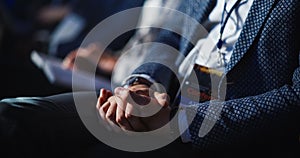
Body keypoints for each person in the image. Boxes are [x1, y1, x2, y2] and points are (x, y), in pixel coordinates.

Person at [0, 0, 299, 157]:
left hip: (222, 128)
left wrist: (178, 123)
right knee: (12, 116)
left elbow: (295, 100)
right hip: (160, 100)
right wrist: (141, 82)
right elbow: (168, 38)